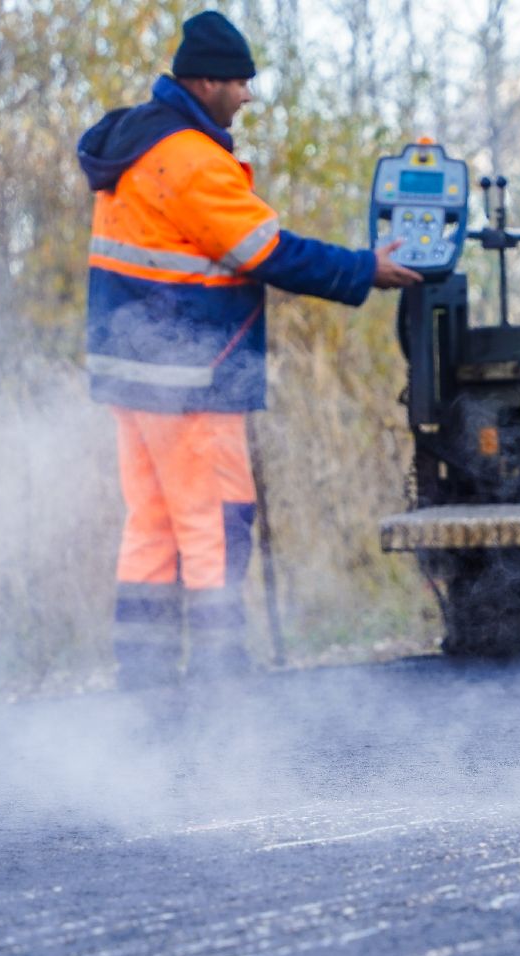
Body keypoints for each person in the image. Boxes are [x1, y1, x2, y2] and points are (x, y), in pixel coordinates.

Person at [77, 10, 422, 692]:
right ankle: (218, 674)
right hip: (188, 377)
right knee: (215, 523)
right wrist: (363, 271)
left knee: (152, 524)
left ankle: (143, 679)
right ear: (205, 82)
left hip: (130, 376)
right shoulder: (191, 159)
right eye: (240, 83)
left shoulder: (135, 145)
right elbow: (265, 250)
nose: (248, 96)